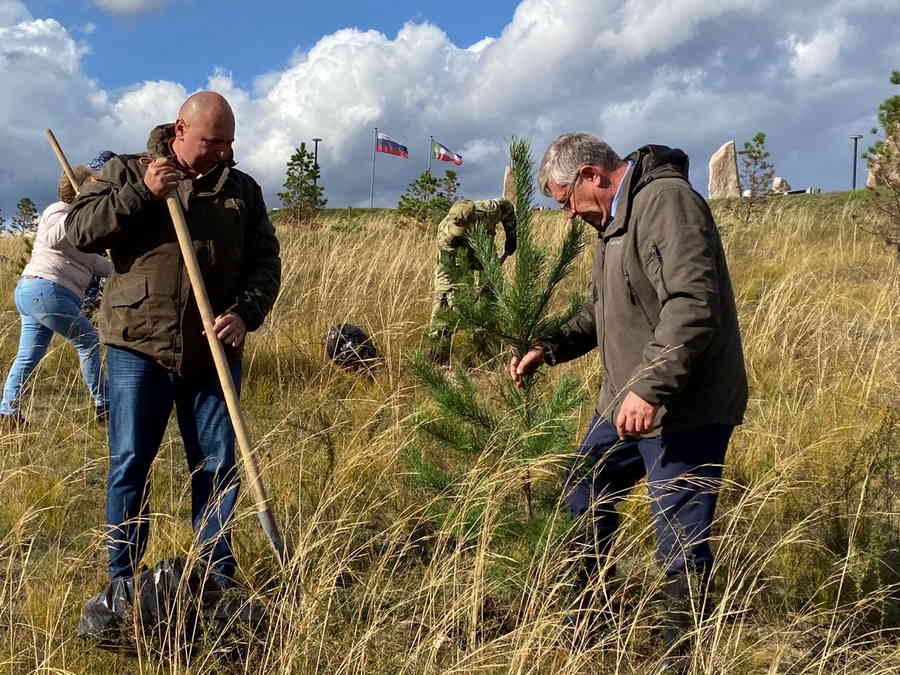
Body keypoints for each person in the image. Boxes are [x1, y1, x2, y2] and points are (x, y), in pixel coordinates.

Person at [510, 133, 747, 660]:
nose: (568, 215)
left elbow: (691, 303)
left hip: (683, 407)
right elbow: (603, 310)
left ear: (592, 175)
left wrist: (648, 386)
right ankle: (590, 630)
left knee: (679, 541)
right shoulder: (614, 221)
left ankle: (679, 659)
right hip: (625, 401)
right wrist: (551, 346)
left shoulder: (665, 202)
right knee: (581, 491)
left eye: (565, 199)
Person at [66, 91, 281, 588]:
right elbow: (78, 231)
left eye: (228, 142)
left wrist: (246, 313)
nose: (221, 151)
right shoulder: (125, 171)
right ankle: (122, 581)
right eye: (211, 141)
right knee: (130, 462)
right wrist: (141, 193)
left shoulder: (242, 189)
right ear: (180, 130)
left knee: (216, 464)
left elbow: (266, 261)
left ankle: (215, 577)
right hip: (136, 346)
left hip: (213, 352)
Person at [0, 166, 112, 427]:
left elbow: (94, 261)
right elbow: (52, 238)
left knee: (28, 355)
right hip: (47, 291)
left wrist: (124, 270)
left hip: (40, 293)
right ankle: (104, 405)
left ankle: (8, 412)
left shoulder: (81, 222)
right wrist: (78, 212)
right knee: (89, 342)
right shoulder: (59, 211)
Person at [428, 198, 517, 359]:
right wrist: (462, 302)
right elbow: (455, 273)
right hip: (453, 261)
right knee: (444, 299)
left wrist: (511, 235)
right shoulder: (446, 237)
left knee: (490, 296)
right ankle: (438, 350)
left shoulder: (489, 210)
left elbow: (508, 207)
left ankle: (485, 346)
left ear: (475, 218)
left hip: (483, 248)